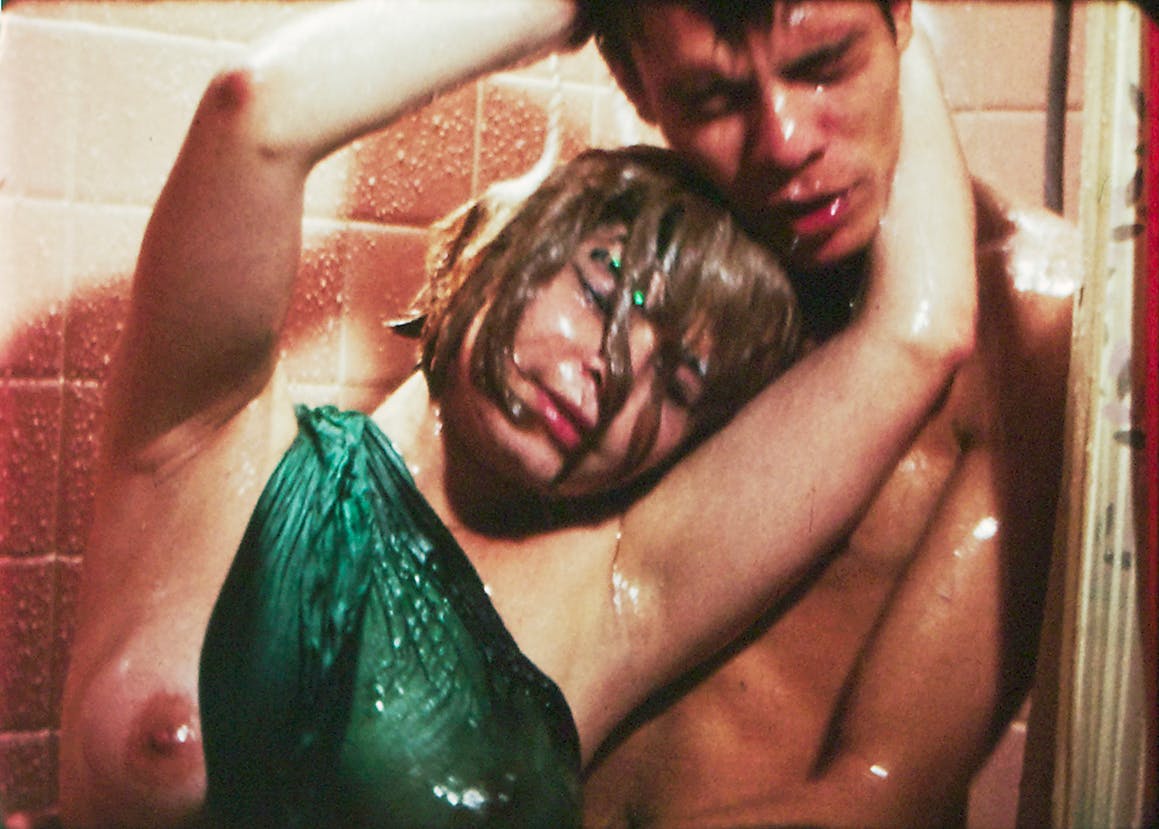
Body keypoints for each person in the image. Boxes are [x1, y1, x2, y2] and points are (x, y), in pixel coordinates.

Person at [57, 0, 976, 825]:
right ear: (500, 248)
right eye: (602, 287)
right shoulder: (206, 442)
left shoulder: (623, 595)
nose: (613, 374)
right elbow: (254, 113)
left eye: (680, 381)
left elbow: (917, 335)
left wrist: (880, 34)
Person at [575, 2, 1081, 827]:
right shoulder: (603, 273)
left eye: (824, 64)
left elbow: (881, 791)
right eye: (711, 99)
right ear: (635, 84)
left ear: (899, 17)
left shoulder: (1027, 321)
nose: (784, 142)